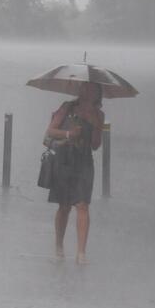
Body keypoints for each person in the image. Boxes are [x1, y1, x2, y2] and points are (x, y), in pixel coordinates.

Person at [44, 81, 104, 264]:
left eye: (92, 89)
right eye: (85, 88)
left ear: (97, 94)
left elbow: (95, 145)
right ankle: (59, 244)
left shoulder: (99, 115)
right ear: (81, 91)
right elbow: (50, 131)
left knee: (83, 205)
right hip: (64, 161)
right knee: (64, 207)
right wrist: (70, 134)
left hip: (84, 163)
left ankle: (81, 253)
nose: (88, 91)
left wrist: (95, 126)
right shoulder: (67, 107)